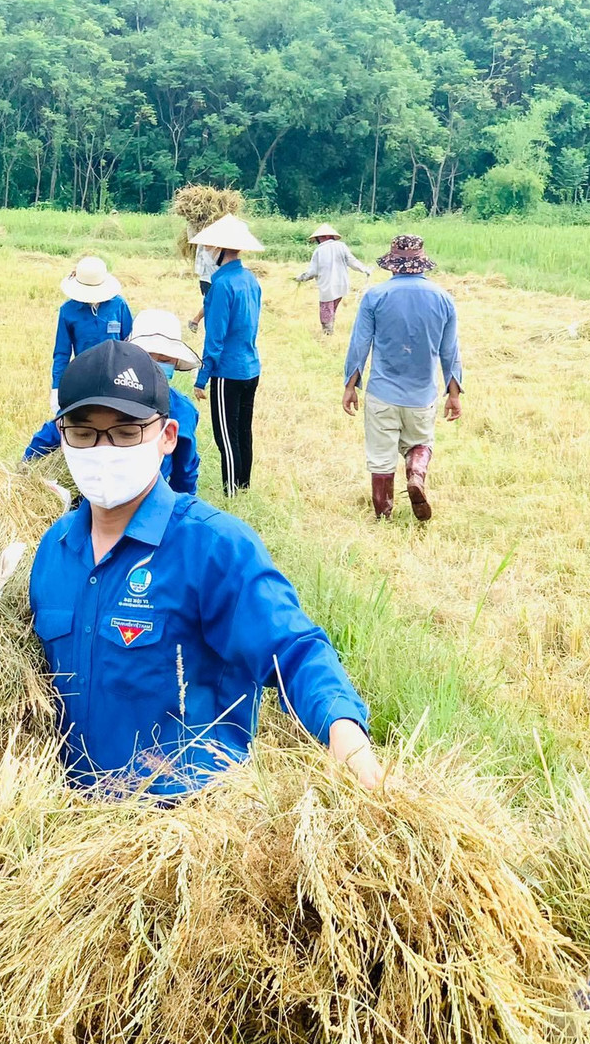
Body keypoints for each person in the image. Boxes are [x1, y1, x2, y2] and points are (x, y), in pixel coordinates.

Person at [29, 340, 383, 799]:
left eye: (125, 431)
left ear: (167, 437)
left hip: (184, 835)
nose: (103, 449)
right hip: (71, 828)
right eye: (84, 432)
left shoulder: (214, 547)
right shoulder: (53, 552)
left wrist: (345, 737)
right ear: (62, 437)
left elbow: (294, 648)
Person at [342, 235, 463, 522]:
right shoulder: (443, 298)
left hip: (383, 392)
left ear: (392, 264)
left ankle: (384, 514)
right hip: (421, 396)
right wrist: (454, 394)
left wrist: (350, 386)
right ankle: (416, 474)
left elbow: (359, 344)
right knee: (420, 443)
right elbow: (450, 350)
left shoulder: (375, 296)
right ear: (422, 263)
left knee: (381, 455)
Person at [22, 309, 201, 497]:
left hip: (149, 501)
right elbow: (58, 428)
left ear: (175, 362)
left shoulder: (183, 411)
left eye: (165, 360)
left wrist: (181, 510)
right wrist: (26, 467)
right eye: (148, 356)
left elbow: (185, 472)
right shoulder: (104, 396)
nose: (155, 364)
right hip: (94, 497)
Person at [190, 214, 264, 496]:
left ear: (219, 249)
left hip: (227, 371)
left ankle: (231, 492)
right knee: (243, 430)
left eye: (209, 246)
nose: (207, 251)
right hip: (250, 366)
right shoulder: (250, 280)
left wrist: (202, 377)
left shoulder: (221, 286)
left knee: (225, 436)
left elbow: (215, 337)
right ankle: (244, 487)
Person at [50, 255, 133, 414]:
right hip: (84, 375)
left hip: (116, 375)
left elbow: (130, 342)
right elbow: (62, 353)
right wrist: (56, 388)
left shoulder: (118, 305)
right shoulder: (68, 311)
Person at [294, 223, 372, 336]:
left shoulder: (319, 251)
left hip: (327, 286)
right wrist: (365, 269)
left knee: (326, 310)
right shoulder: (342, 246)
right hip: (341, 285)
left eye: (319, 237)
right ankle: (330, 330)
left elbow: (313, 272)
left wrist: (301, 278)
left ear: (324, 236)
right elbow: (352, 261)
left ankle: (327, 334)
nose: (319, 240)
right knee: (332, 309)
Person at [187, 241, 218, 334]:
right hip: (208, 280)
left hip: (211, 280)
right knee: (212, 305)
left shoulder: (215, 247)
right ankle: (199, 323)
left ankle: (195, 321)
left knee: (211, 304)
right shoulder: (207, 249)